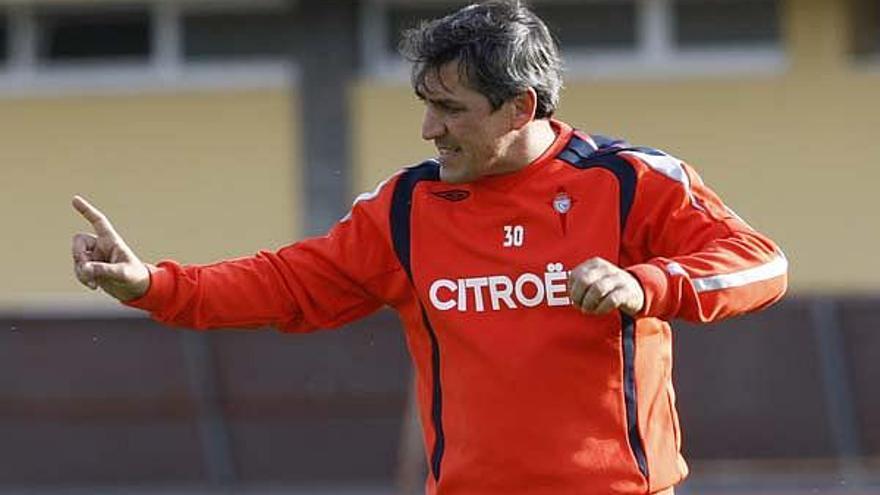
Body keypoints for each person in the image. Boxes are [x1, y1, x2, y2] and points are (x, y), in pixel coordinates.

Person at [71, 1, 788, 494]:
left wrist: (647, 284)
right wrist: (151, 285)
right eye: (426, 103)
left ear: (522, 106)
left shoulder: (631, 182)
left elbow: (761, 262)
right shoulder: (408, 208)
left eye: (451, 109)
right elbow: (287, 284)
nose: (429, 129)